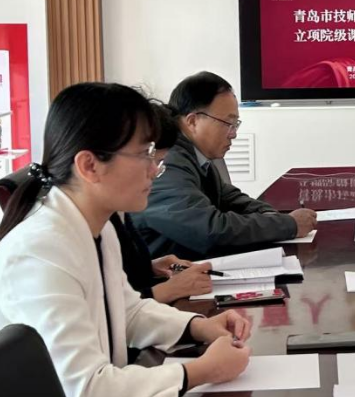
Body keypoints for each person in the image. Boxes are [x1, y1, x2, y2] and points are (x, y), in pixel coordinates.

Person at [0, 83, 252, 397]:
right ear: (90, 165)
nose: (156, 170)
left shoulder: (98, 227)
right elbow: (87, 395)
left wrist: (198, 326)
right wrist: (200, 371)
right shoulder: (41, 251)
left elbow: (127, 311)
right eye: (145, 154)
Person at [133, 72, 316, 259]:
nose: (233, 133)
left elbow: (228, 198)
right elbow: (209, 229)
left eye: (235, 124)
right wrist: (288, 225)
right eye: (228, 123)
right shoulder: (168, 160)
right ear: (192, 121)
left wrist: (272, 216)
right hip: (164, 272)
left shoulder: (194, 154)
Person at [112, 102, 212, 303]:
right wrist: (168, 290)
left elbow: (117, 279)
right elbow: (107, 310)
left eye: (158, 162)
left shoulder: (116, 213)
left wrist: (148, 267)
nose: (154, 171)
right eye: (147, 158)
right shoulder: (65, 236)